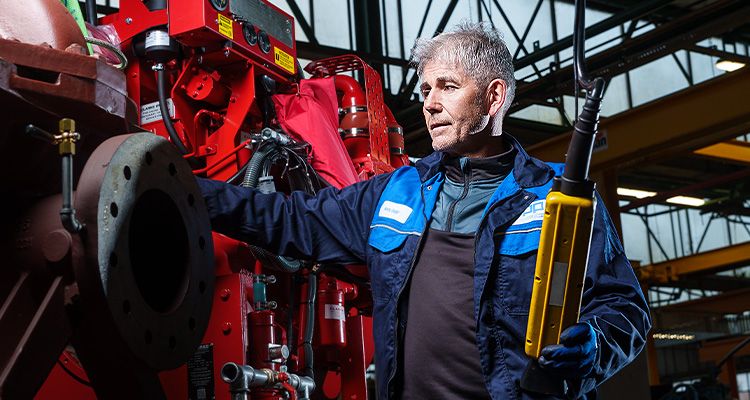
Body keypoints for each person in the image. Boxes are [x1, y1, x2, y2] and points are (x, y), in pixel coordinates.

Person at [198, 22, 650, 400]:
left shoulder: (559, 198)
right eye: (426, 88)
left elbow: (624, 308)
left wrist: (596, 342)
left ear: (494, 98)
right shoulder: (396, 192)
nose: (429, 103)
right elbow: (289, 219)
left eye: (448, 87)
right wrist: (183, 190)